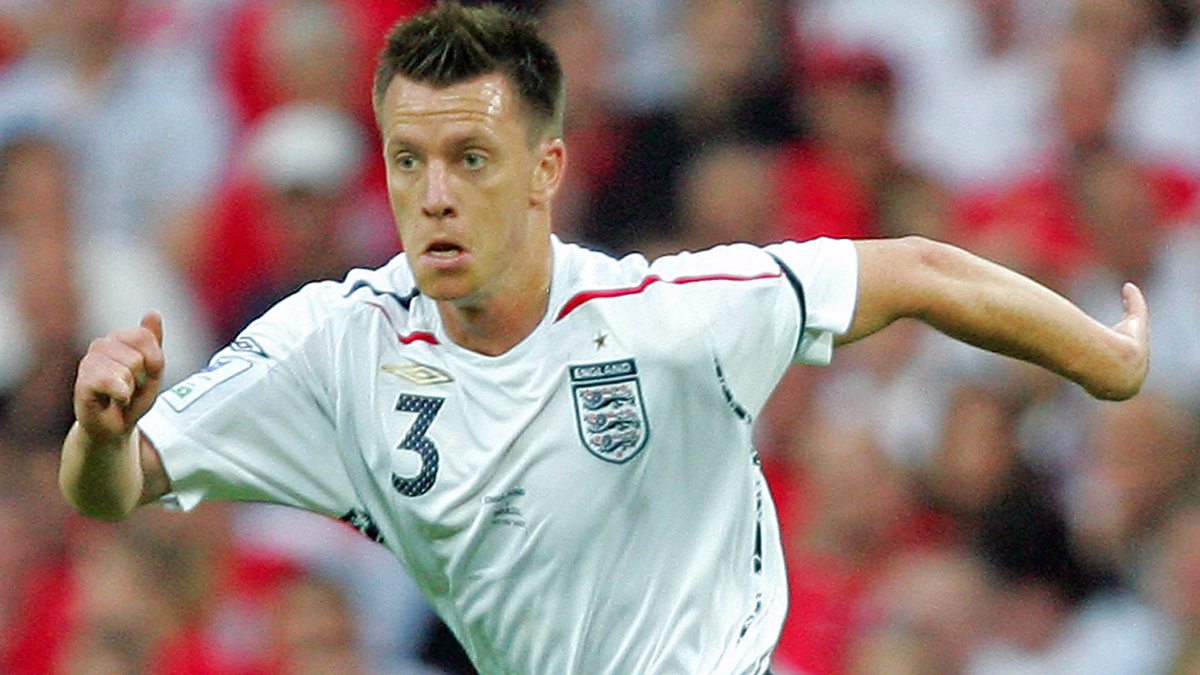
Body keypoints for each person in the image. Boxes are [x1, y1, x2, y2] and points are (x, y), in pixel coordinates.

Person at [59, 3, 1150, 674]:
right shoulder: (337, 345)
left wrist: (1104, 359)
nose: (433, 196)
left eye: (471, 160)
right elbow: (116, 487)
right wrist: (102, 430)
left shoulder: (666, 318)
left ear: (546, 171)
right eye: (407, 160)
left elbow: (917, 268)